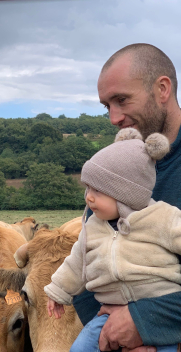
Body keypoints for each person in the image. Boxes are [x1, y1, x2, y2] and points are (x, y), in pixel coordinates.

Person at [73, 44, 181, 352]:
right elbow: (87, 257)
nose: (113, 118)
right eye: (107, 106)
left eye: (122, 100)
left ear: (162, 89)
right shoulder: (115, 167)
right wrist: (114, 335)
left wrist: (146, 322)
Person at [44, 127, 178, 352]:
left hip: (163, 316)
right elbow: (77, 263)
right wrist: (58, 291)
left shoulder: (163, 218)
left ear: (126, 192)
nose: (89, 196)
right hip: (110, 315)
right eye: (87, 187)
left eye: (98, 189)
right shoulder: (92, 226)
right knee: (78, 349)